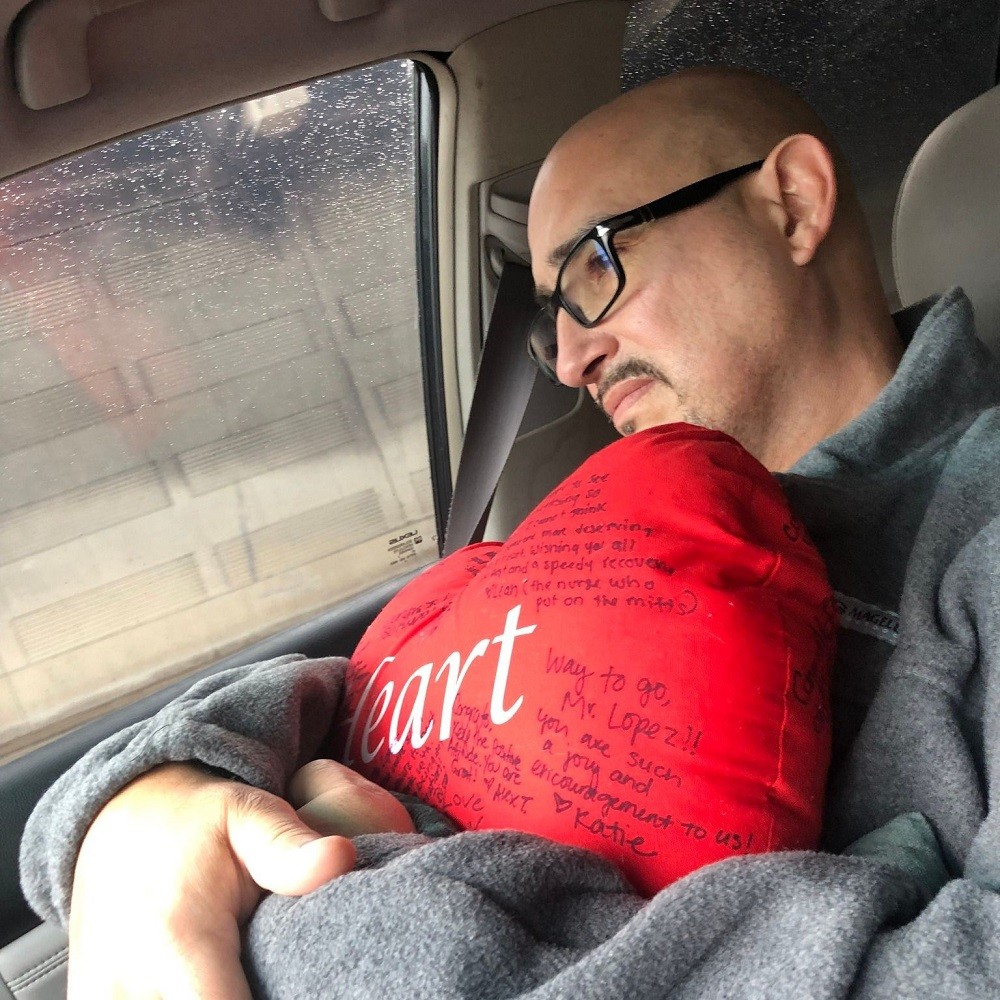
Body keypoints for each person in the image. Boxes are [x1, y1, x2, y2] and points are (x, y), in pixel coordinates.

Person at [20, 65, 1000, 998]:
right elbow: (377, 684)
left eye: (594, 265)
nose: (569, 358)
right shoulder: (629, 521)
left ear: (788, 202)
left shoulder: (975, 533)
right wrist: (152, 798)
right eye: (550, 314)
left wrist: (320, 919)